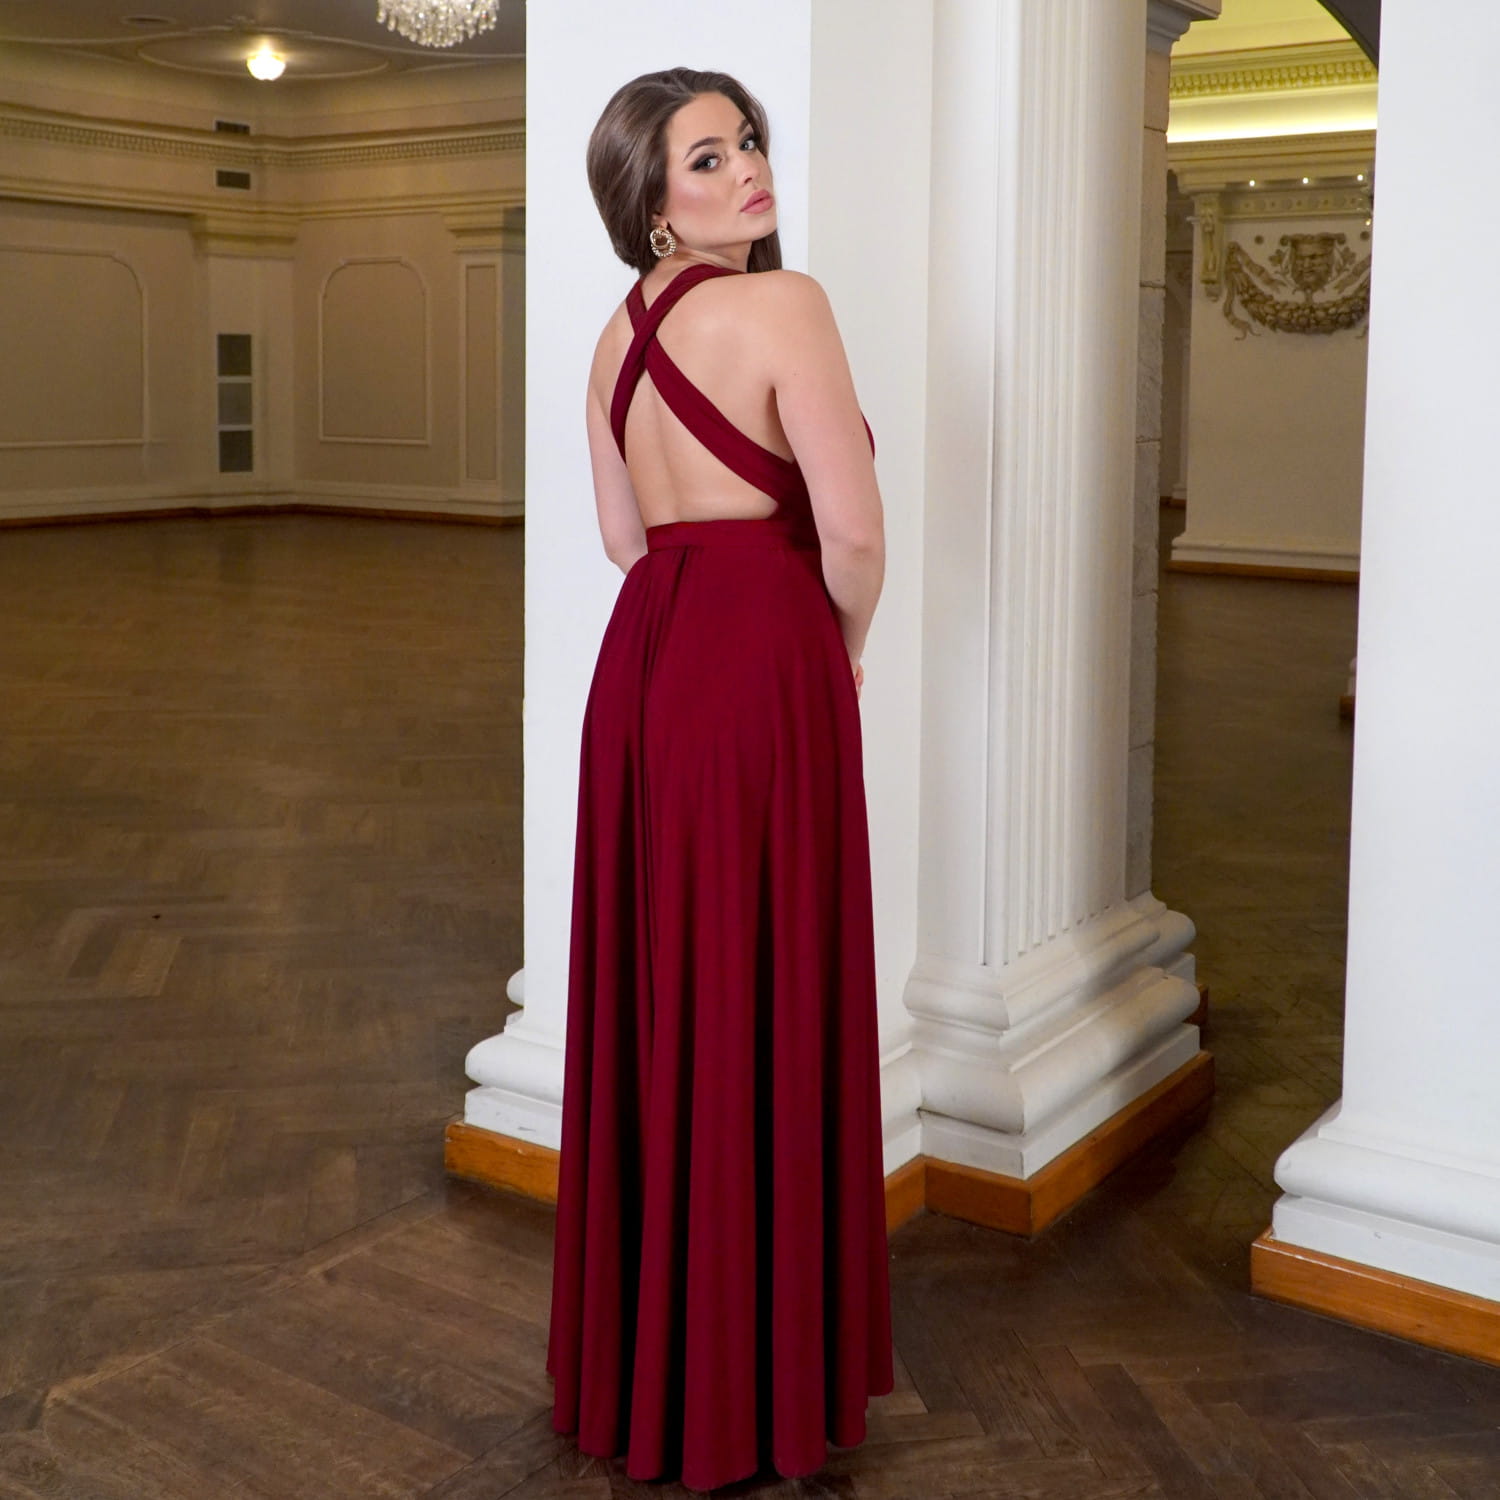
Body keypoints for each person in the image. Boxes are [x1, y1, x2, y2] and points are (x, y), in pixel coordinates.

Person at [545, 66, 892, 1492]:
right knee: (759, 983)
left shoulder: (609, 343)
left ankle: (650, 1376)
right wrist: (840, 649)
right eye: (705, 157)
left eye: (747, 141)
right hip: (759, 663)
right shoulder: (786, 305)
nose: (748, 167)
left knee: (666, 991)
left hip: (646, 669)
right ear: (649, 201)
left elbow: (625, 541)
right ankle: (755, 1380)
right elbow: (853, 536)